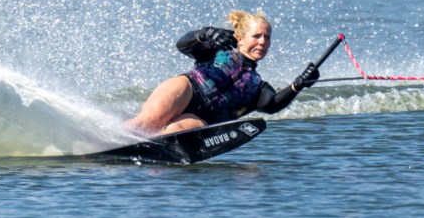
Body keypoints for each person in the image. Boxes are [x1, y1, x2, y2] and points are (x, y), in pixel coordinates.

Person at [125, 10, 320, 136]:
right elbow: (182, 45)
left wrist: (298, 85)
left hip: (201, 119)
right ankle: (103, 140)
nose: (262, 42)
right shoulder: (218, 50)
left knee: (172, 136)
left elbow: (271, 105)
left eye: (267, 38)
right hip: (188, 89)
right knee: (148, 122)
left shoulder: (257, 86)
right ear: (240, 39)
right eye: (257, 36)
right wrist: (204, 34)